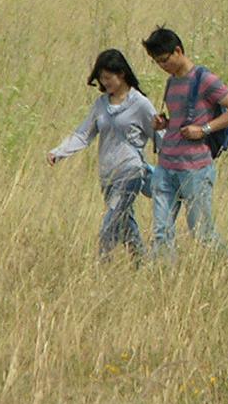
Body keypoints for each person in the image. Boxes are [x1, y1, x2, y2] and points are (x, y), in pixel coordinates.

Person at [142, 26, 228, 259]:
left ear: (178, 51)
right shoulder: (172, 82)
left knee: (201, 233)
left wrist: (205, 129)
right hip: (166, 166)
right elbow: (182, 119)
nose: (162, 66)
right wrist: (165, 123)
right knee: (161, 232)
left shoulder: (204, 79)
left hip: (195, 169)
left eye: (164, 60)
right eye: (157, 62)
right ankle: (163, 281)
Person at [48, 49, 156, 260]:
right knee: (125, 221)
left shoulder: (140, 103)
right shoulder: (101, 105)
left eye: (108, 78)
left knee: (112, 219)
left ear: (121, 74)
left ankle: (101, 263)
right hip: (108, 174)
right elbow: (83, 134)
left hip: (131, 170)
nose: (105, 83)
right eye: (101, 79)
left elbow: (159, 134)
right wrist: (59, 152)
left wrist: (175, 163)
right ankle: (141, 262)